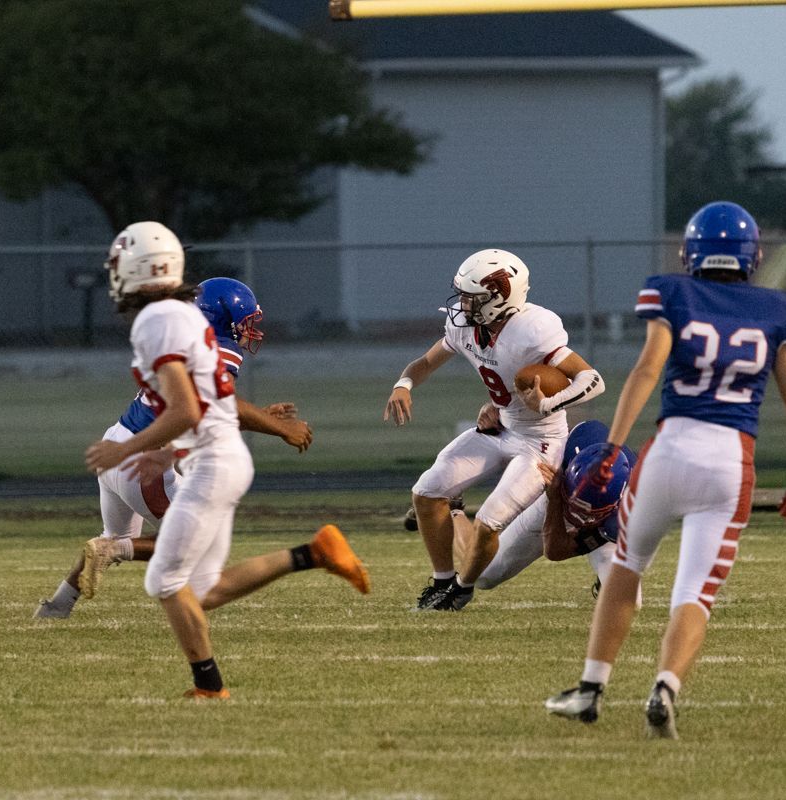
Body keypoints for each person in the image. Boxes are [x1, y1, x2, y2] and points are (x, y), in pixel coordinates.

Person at [545, 201, 786, 738]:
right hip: (729, 465)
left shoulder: (672, 293)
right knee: (694, 592)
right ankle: (665, 687)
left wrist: (612, 448)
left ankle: (590, 688)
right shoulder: (778, 311)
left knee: (626, 567)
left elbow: (648, 369)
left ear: (690, 252)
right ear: (754, 255)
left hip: (668, 451)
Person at [83, 221, 370, 698]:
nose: (114, 276)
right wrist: (170, 451)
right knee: (204, 588)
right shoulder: (182, 318)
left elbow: (189, 408)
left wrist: (130, 449)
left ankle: (210, 687)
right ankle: (314, 553)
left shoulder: (159, 321)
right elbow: (207, 404)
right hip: (216, 457)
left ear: (142, 270)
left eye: (119, 267)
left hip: (213, 464)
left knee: (165, 581)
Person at [34, 277, 314, 619]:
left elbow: (205, 409)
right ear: (222, 317)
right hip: (144, 460)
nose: (249, 330)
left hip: (118, 441)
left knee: (119, 535)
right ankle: (107, 551)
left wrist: (259, 417)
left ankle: (55, 608)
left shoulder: (181, 340)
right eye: (244, 321)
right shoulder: (220, 345)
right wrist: (281, 428)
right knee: (193, 546)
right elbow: (217, 404)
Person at [384, 249, 604, 611]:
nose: (464, 304)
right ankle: (441, 582)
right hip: (501, 427)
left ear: (501, 296)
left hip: (542, 442)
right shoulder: (464, 326)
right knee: (426, 492)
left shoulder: (532, 329)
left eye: (473, 297)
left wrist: (547, 403)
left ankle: (462, 589)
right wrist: (403, 385)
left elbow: (592, 380)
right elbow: (424, 362)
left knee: (489, 521)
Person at [451, 416, 635, 599]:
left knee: (628, 600)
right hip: (557, 494)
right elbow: (554, 550)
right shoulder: (569, 448)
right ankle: (452, 508)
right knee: (484, 574)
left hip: (604, 527)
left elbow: (563, 550)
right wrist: (554, 498)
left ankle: (604, 579)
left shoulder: (629, 511)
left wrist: (593, 538)